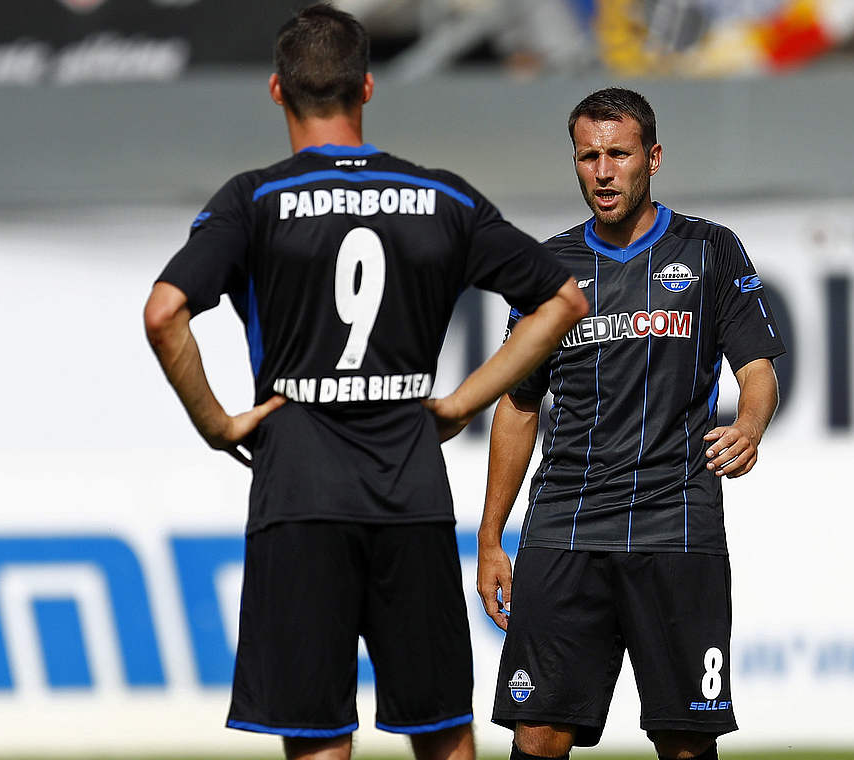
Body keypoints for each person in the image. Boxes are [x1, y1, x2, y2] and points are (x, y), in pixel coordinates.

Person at [142, 6, 587, 760]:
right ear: (368, 88)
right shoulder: (441, 197)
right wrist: (459, 403)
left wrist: (217, 423)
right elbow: (564, 300)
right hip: (409, 487)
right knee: (441, 727)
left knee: (318, 734)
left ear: (278, 90)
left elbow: (164, 313)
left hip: (299, 490)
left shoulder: (255, 198)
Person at [477, 87, 786, 760]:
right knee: (539, 730)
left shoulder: (709, 250)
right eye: (589, 156)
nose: (604, 171)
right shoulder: (548, 268)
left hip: (674, 524)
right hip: (565, 526)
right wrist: (492, 536)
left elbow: (756, 371)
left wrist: (751, 427)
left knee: (684, 735)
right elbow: (519, 403)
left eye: (619, 153)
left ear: (653, 157)